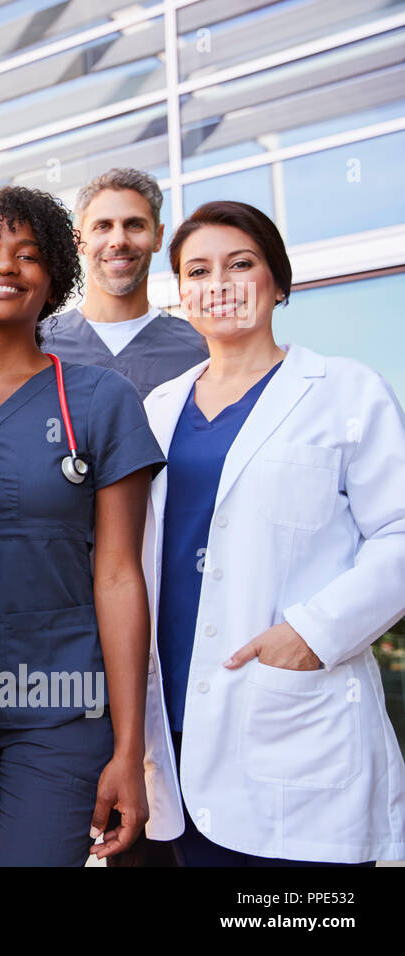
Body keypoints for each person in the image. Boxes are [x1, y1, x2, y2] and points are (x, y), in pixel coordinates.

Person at [140, 200, 405, 865]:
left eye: (241, 264)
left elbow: (400, 534)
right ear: (181, 294)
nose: (219, 284)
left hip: (295, 712)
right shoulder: (157, 408)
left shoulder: (347, 392)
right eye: (198, 271)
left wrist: (313, 635)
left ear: (278, 283)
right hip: (172, 721)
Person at [0, 186, 165, 866]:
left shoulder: (99, 400)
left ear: (53, 277)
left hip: (59, 717)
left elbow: (119, 577)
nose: (6, 266)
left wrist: (128, 747)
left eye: (28, 255)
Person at [45, 168, 207, 399]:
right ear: (79, 239)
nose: (118, 241)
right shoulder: (37, 346)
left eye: (134, 225)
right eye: (103, 226)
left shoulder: (200, 350)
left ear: (158, 237)